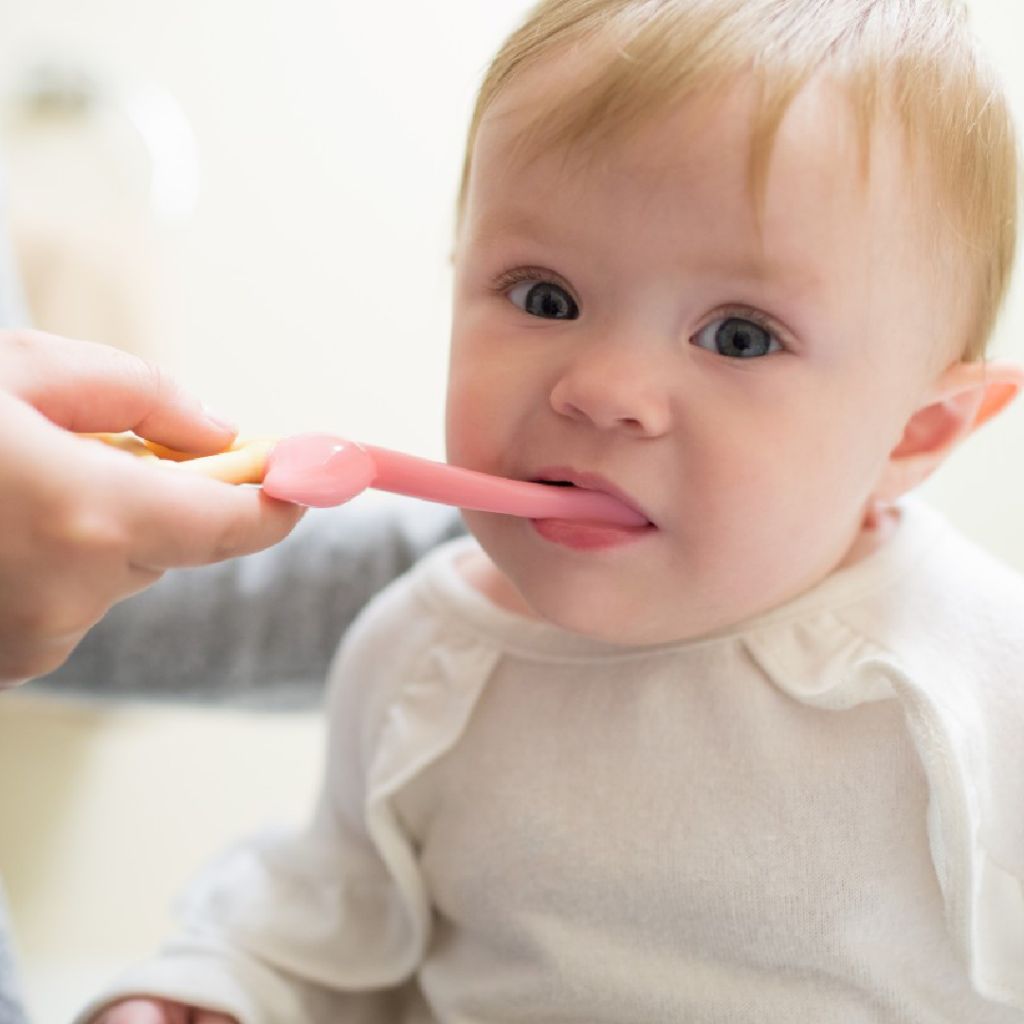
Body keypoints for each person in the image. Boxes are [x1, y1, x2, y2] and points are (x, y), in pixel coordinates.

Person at [78, 0, 1024, 1020]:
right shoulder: (425, 654)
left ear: (915, 433)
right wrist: (210, 994)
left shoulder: (980, 671)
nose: (604, 386)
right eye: (542, 298)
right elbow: (327, 924)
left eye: (739, 336)